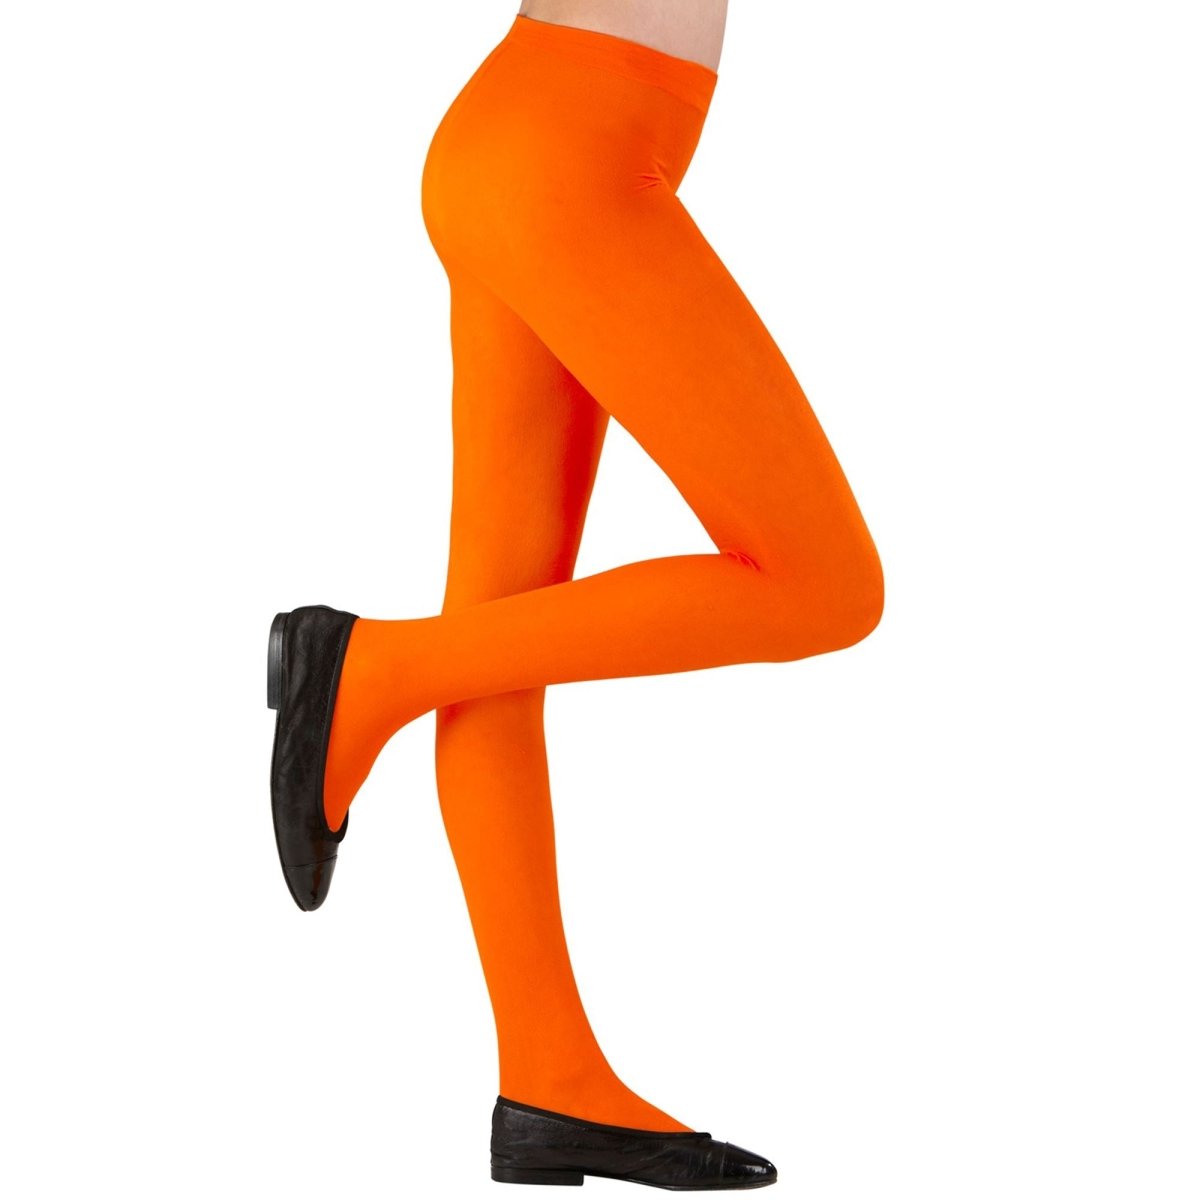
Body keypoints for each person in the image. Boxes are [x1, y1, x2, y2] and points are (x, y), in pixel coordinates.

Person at [267, 1, 884, 1188]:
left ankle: (546, 1077)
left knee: (500, 638)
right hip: (566, 159)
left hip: (536, 142)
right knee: (825, 586)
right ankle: (371, 670)